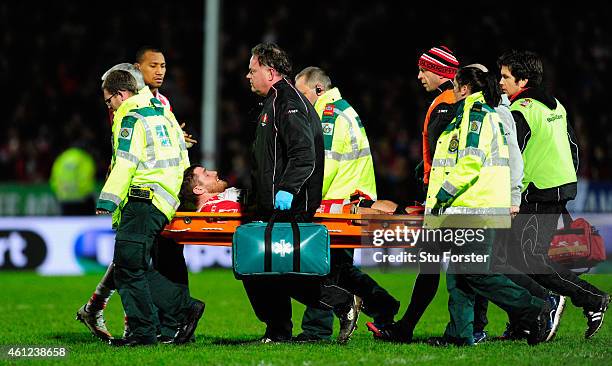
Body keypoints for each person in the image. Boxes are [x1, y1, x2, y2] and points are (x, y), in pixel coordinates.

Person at [424, 65, 552, 346]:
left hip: (474, 207)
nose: (453, 90)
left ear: (464, 88)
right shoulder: (475, 113)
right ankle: (459, 335)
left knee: (476, 273)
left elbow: (470, 162)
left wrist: (442, 196)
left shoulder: (476, 115)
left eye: (456, 85)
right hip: (469, 206)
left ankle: (536, 309)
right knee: (459, 275)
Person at [243, 42, 359, 344]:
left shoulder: (288, 103)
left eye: (252, 70)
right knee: (263, 269)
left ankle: (341, 302)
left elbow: (304, 154)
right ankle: (278, 331)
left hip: (288, 205)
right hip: (271, 204)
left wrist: (287, 191)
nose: (248, 76)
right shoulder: (275, 101)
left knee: (275, 270)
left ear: (270, 72)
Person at [76, 59, 196, 341]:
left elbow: (126, 162)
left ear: (121, 94)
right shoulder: (163, 113)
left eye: (109, 101)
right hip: (164, 199)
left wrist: (108, 198)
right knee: (134, 265)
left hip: (142, 197)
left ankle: (171, 316)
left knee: (129, 267)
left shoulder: (129, 116)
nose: (110, 107)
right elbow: (183, 157)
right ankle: (147, 330)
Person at [498, 50, 609, 339]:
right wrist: (565, 187)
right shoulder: (555, 105)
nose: (500, 82)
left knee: (526, 261)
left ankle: (589, 298)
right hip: (557, 187)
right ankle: (525, 321)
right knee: (517, 258)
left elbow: (513, 155)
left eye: (505, 76)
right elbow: (573, 145)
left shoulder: (520, 110)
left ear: (523, 80)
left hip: (535, 193)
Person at [294, 67, 399, 342]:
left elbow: (323, 165)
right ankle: (382, 305)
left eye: (303, 93)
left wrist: (303, 197)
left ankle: (316, 331)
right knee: (338, 269)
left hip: (338, 204)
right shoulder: (343, 110)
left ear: (318, 90)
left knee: (321, 267)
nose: (300, 100)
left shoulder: (328, 116)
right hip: (349, 200)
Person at [368, 45, 461, 343]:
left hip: (446, 200)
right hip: (447, 198)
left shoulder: (446, 105)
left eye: (423, 69)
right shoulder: (453, 101)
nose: (419, 75)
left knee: (460, 271)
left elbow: (443, 157)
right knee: (444, 268)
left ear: (440, 72)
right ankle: (406, 328)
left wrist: (432, 193)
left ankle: (534, 308)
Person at [50, 145, 96, 215]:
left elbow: (54, 178)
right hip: (82, 199)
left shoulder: (62, 158)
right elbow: (88, 176)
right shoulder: (84, 158)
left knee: (68, 223)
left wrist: (59, 192)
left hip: (64, 198)